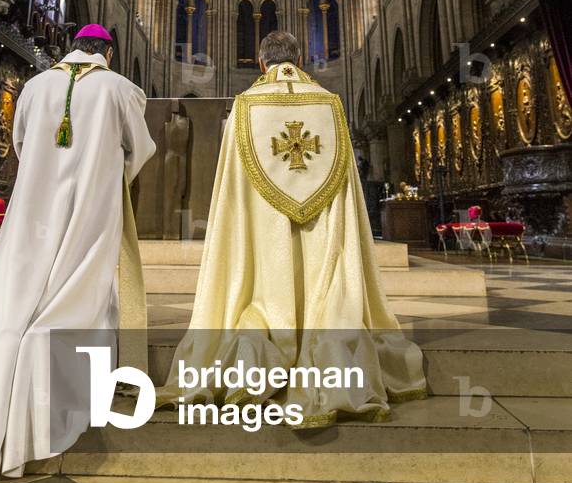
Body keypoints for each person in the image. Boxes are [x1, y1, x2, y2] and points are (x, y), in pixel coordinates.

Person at [0, 24, 155, 483]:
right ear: (106, 52)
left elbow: (21, 145)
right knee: (77, 289)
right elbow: (140, 149)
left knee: (19, 295)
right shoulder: (120, 89)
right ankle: (41, 411)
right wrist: (105, 171)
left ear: (75, 49)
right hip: (88, 209)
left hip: (33, 211)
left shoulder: (35, 86)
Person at [158, 31, 425, 424]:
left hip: (263, 242)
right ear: (299, 60)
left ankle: (258, 354)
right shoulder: (331, 106)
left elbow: (232, 194)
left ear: (262, 63)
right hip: (323, 238)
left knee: (260, 290)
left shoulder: (244, 108)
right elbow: (347, 189)